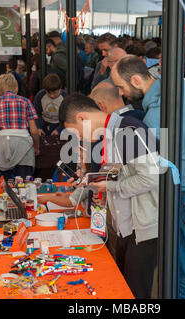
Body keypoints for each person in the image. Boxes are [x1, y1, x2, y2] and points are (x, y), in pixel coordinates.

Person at [112, 55, 185, 299]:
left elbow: (155, 172)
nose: (122, 94)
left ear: (135, 80)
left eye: (121, 87)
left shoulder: (154, 118)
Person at [58, 93, 160, 299]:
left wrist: (111, 186)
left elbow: (151, 179)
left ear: (82, 118)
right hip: (124, 224)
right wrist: (102, 189)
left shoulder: (128, 130)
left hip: (144, 226)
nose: (79, 138)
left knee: (136, 293)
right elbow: (121, 175)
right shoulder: (111, 134)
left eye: (76, 132)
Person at [0, 73, 40, 183]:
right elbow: (34, 131)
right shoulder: (25, 102)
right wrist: (36, 147)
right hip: (23, 142)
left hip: (1, 142)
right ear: (16, 88)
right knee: (25, 182)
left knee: (2, 182)